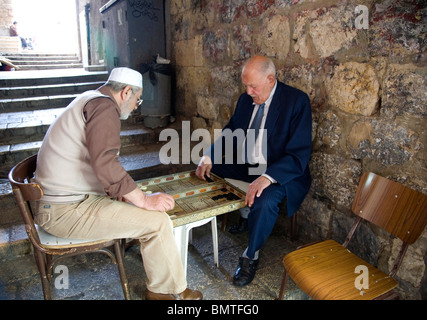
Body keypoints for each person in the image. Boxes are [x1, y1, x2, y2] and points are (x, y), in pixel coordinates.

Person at [34, 67, 202, 300]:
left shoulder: (89, 98)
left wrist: (129, 193)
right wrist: (142, 199)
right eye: (137, 99)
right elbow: (105, 163)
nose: (136, 105)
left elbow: (99, 163)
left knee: (137, 199)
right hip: (65, 211)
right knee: (158, 221)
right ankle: (166, 292)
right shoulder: (104, 108)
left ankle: (160, 279)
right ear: (125, 92)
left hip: (62, 202)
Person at [196, 55, 312, 286]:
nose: (248, 92)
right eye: (246, 86)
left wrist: (267, 177)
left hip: (281, 173)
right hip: (249, 165)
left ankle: (251, 254)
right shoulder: (246, 100)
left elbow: (298, 153)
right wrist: (208, 155)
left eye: (253, 86)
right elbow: (231, 131)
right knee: (206, 168)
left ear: (270, 79)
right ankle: (246, 216)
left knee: (265, 200)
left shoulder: (296, 101)